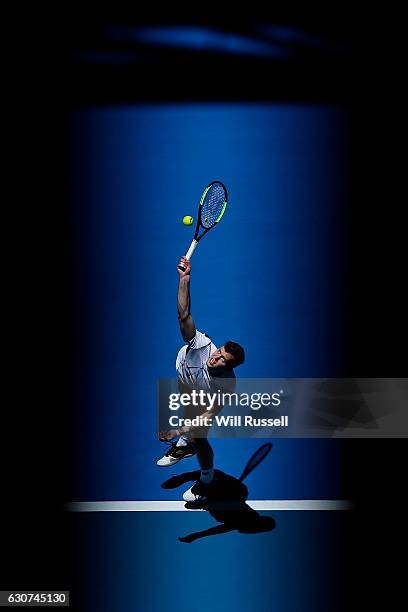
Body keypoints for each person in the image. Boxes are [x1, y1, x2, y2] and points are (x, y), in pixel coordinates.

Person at [157, 256, 245, 503]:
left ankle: (207, 479)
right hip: (185, 374)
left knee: (199, 435)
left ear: (229, 367)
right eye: (219, 352)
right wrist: (184, 279)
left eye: (223, 360)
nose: (216, 358)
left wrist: (176, 430)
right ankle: (185, 445)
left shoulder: (226, 386)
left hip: (202, 393)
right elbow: (184, 315)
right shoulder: (202, 346)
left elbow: (205, 417)